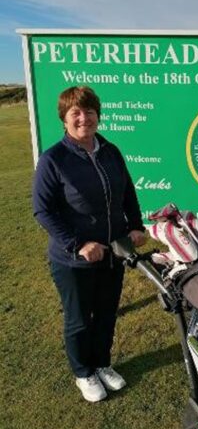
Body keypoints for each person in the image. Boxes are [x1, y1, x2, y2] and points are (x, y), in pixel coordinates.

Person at [32, 86, 147, 403]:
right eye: (76, 113)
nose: (84, 118)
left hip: (113, 252)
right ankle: (83, 372)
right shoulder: (53, 159)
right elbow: (43, 210)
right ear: (65, 119)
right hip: (73, 261)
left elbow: (127, 193)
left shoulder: (110, 151)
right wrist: (78, 244)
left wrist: (135, 226)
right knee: (80, 318)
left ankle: (102, 364)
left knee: (107, 313)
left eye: (90, 111)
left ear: (98, 114)